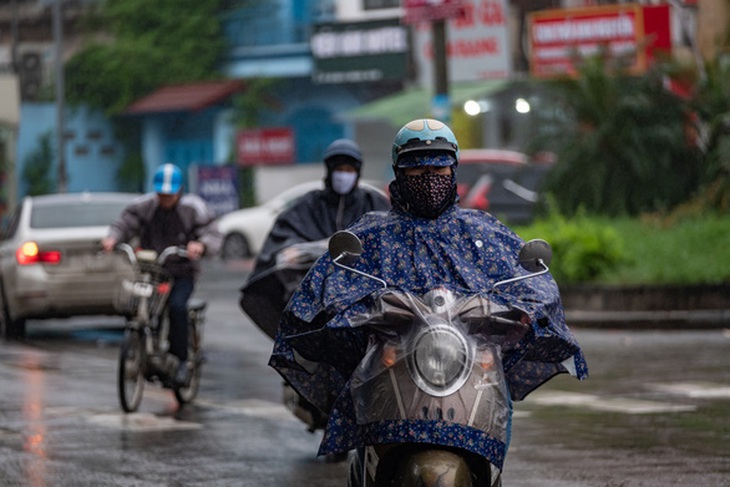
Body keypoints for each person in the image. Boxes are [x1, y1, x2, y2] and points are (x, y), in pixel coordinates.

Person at [269, 119, 588, 466]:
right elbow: (325, 288)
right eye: (417, 167)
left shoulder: (483, 232)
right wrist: (367, 308)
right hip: (391, 375)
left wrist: (510, 308)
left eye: (438, 166)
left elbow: (531, 283)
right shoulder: (372, 235)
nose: (429, 176)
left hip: (467, 375)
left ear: (453, 168)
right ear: (398, 172)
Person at [239, 138, 391, 340]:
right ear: (329, 170)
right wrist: (297, 252)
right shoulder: (309, 204)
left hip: (365, 295)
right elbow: (284, 238)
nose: (343, 175)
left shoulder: (373, 202)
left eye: (348, 169)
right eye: (339, 169)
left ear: (357, 172)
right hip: (316, 297)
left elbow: (389, 238)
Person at [103, 163, 221, 386]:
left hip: (181, 272)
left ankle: (182, 362)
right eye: (161, 193)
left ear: (180, 190)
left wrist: (200, 245)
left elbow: (211, 232)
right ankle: (144, 350)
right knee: (137, 306)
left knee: (176, 307)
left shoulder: (193, 208)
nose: (165, 198)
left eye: (170, 194)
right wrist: (112, 238)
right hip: (151, 272)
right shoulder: (144, 206)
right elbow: (124, 224)